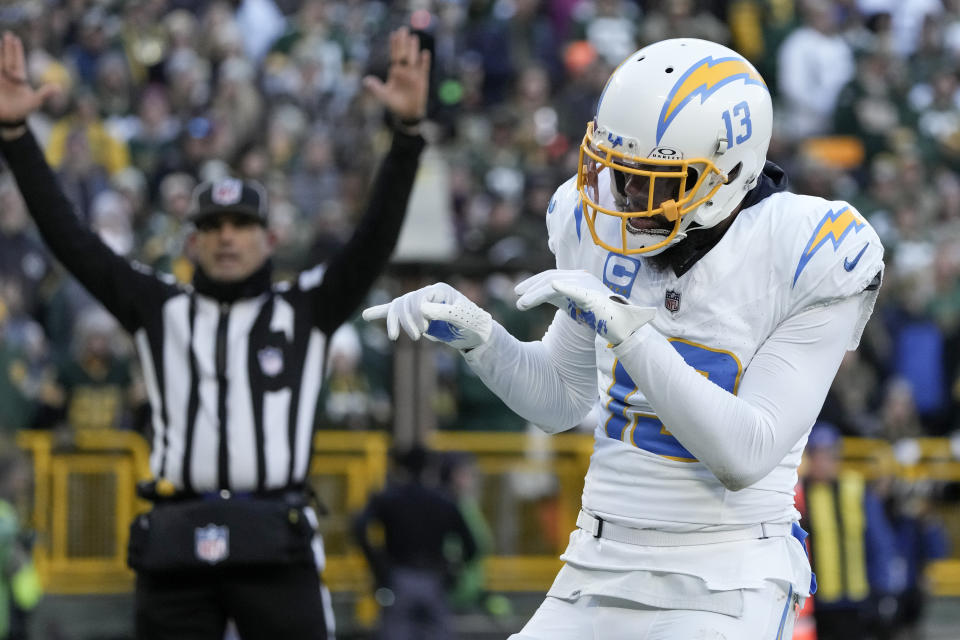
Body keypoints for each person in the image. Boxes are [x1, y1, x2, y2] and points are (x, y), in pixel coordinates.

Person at [366, 37, 885, 639]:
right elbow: (561, 398)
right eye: (619, 172)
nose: (624, 197)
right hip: (597, 561)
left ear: (726, 175)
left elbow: (747, 453)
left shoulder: (806, 250)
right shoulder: (599, 218)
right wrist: (480, 336)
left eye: (653, 180)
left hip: (727, 572)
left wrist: (626, 330)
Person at [0, 28, 430, 640]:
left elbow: (373, 241)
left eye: (241, 223)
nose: (227, 236)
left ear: (270, 239)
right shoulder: (157, 306)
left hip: (276, 538)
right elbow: (71, 240)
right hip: (177, 540)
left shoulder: (307, 306)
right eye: (213, 224)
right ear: (193, 239)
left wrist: (407, 138)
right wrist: (16, 139)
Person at [798, 421, 904, 640]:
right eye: (817, 455)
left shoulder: (856, 488)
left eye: (829, 455)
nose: (823, 462)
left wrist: (883, 590)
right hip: (817, 601)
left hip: (855, 599)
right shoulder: (801, 493)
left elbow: (879, 541)